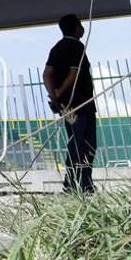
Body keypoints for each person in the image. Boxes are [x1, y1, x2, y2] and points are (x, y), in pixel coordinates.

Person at [43, 13, 97, 193]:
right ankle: (81, 184)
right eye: (80, 25)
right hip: (82, 105)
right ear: (76, 28)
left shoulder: (56, 48)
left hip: (66, 107)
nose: (82, 28)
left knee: (76, 141)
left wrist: (55, 97)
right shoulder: (76, 46)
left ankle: (75, 182)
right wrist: (59, 92)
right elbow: (73, 75)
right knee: (85, 144)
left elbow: (47, 74)